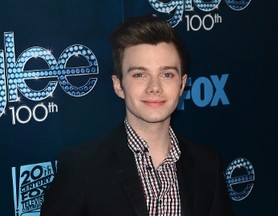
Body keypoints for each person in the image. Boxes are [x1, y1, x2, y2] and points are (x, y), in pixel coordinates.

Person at [40, 15, 233, 216]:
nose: (155, 87)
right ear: (118, 85)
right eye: (140, 74)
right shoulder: (82, 169)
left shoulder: (207, 163)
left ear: (182, 85)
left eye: (166, 74)